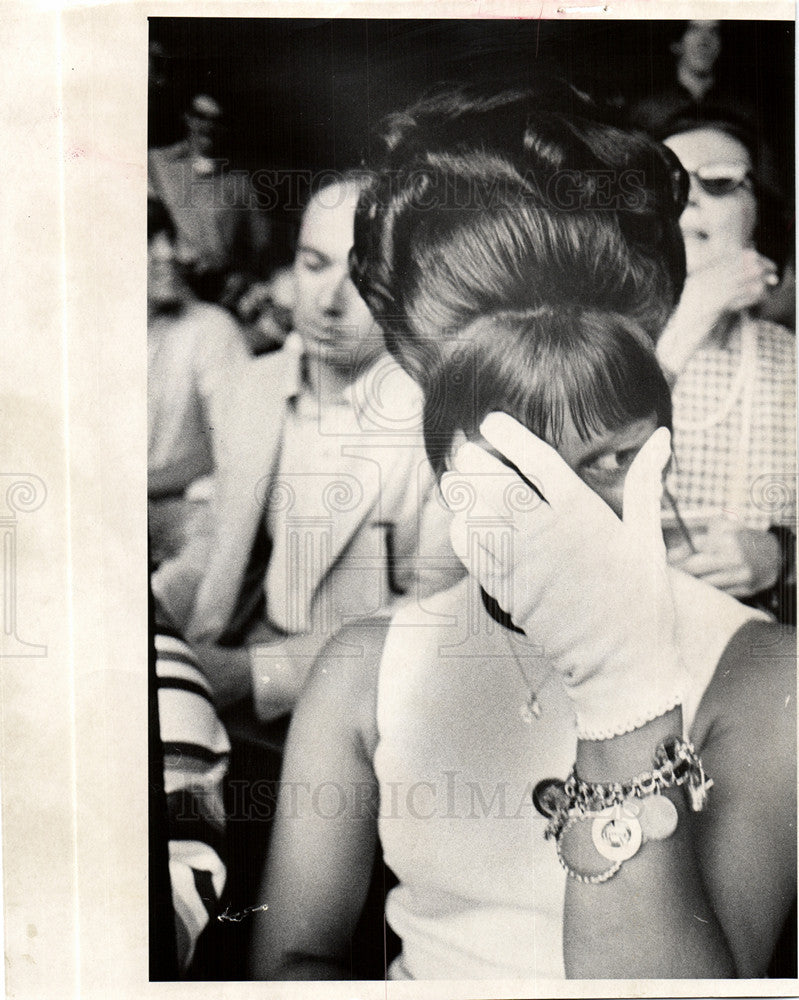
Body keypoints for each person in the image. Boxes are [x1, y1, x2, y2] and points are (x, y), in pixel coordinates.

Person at [250, 89, 795, 981]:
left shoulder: (768, 676)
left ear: (657, 438)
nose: (560, 506)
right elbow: (290, 962)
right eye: (516, 457)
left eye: (605, 457)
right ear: (442, 447)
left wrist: (622, 688)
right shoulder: (363, 668)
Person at [154, 172, 463, 720]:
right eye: (313, 265)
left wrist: (255, 673)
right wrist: (157, 610)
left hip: (362, 707)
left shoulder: (445, 426)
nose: (328, 301)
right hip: (229, 661)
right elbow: (224, 541)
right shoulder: (251, 388)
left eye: (365, 280)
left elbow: (435, 623)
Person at [652, 110, 796, 624]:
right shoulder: (593, 346)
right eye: (668, 183)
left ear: (758, 212)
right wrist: (689, 318)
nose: (689, 197)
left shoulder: (791, 362)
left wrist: (781, 558)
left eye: (716, 181)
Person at [147, 199, 251, 567]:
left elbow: (231, 453)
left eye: (168, 239)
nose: (168, 254)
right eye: (146, 240)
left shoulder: (211, 330)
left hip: (181, 514)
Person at [148, 94, 272, 307]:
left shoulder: (240, 183)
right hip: (167, 285)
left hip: (218, 292)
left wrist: (243, 276)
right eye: (201, 116)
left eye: (217, 120)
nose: (208, 126)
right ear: (187, 117)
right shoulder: (156, 164)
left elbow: (260, 246)